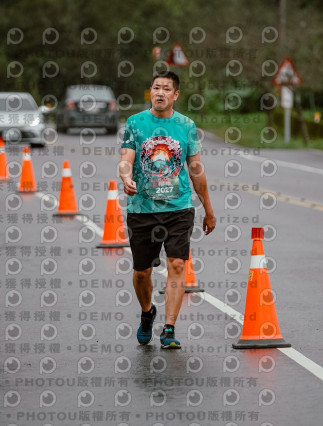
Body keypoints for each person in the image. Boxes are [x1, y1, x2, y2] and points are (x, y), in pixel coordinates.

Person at [119, 71, 216, 349]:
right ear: (150, 91)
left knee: (177, 264)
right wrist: (126, 177)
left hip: (179, 207)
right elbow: (126, 159)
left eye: (166, 89)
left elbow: (196, 170)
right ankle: (147, 312)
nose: (160, 92)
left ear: (175, 95)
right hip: (142, 208)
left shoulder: (186, 125)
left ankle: (169, 328)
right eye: (156, 87)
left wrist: (208, 209)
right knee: (142, 272)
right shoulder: (135, 123)